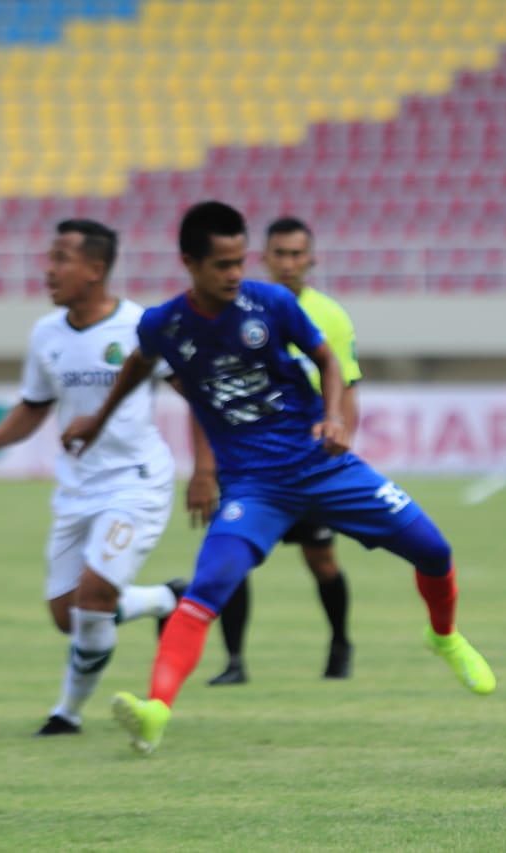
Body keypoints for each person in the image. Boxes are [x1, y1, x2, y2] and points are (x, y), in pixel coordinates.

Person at [60, 201, 495, 756]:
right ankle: (155, 710)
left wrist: (334, 417)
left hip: (323, 464)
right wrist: (97, 422)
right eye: (222, 264)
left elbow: (329, 361)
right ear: (190, 262)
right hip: (252, 487)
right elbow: (138, 366)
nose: (235, 274)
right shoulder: (163, 323)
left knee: (434, 550)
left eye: (240, 261)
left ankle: (445, 637)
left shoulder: (271, 303)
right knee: (206, 589)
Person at [0, 219, 183, 736]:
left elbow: (192, 392)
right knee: (70, 616)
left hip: (135, 481)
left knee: (93, 600)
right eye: (50, 256)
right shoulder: (46, 333)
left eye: (61, 257)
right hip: (78, 488)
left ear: (96, 269)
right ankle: (166, 599)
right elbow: (35, 405)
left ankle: (67, 712)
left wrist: (210, 469)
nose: (48, 268)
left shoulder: (140, 327)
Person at [194, 216, 360, 685]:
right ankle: (234, 661)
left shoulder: (330, 316)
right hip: (246, 457)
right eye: (279, 253)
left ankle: (340, 644)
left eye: (296, 253)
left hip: (309, 459)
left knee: (321, 559)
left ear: (311, 259)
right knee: (232, 557)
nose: (288, 262)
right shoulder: (236, 309)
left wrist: (343, 447)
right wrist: (206, 465)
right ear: (262, 257)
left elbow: (346, 389)